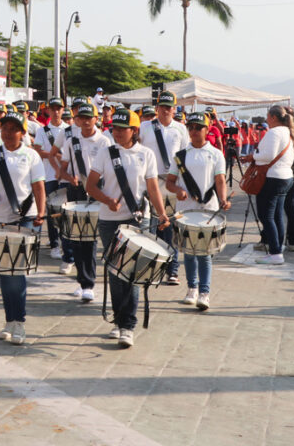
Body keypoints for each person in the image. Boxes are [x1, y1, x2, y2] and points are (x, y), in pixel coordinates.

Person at [86, 108, 168, 349]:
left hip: (137, 219)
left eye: (123, 129)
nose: (118, 133)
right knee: (114, 271)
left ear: (135, 130)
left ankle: (128, 325)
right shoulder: (104, 153)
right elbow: (90, 186)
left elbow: (153, 188)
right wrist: (107, 200)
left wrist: (162, 213)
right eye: (115, 129)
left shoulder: (146, 154)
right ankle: (119, 319)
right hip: (109, 221)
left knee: (131, 273)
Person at [0, 110, 46, 344]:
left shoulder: (32, 156)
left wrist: (41, 213)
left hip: (24, 218)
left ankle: (19, 323)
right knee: (4, 273)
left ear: (23, 132)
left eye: (13, 128)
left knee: (17, 273)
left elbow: (39, 187)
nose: (8, 132)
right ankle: (9, 321)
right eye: (5, 128)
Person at [164, 112, 232, 310]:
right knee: (189, 252)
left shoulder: (216, 154)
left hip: (207, 209)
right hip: (186, 210)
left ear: (207, 129)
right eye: (191, 128)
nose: (194, 131)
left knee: (204, 253)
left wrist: (223, 199)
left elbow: (220, 180)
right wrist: (178, 190)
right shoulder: (180, 155)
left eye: (198, 127)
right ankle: (191, 288)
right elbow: (169, 182)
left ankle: (204, 292)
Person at [59, 101, 110, 302]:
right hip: (77, 191)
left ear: (96, 119)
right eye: (82, 118)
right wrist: (69, 177)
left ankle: (89, 283)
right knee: (76, 238)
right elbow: (62, 168)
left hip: (96, 191)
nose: (86, 122)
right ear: (77, 120)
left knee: (89, 239)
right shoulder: (72, 141)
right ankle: (82, 281)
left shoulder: (104, 141)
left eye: (90, 118)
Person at [138, 90, 189, 285]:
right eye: (163, 107)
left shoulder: (180, 129)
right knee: (151, 227)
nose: (166, 110)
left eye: (169, 107)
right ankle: (153, 267)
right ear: (157, 108)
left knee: (171, 228)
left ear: (174, 109)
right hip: (150, 183)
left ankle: (172, 269)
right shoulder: (145, 127)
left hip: (171, 183)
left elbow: (184, 156)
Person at [242, 105, 294, 264]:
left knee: (266, 216)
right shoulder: (287, 131)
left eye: (267, 116)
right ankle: (278, 247)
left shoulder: (274, 132)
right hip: (285, 176)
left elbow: (268, 155)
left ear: (273, 117)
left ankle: (275, 253)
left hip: (273, 177)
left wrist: (254, 156)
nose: (266, 119)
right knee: (277, 215)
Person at [33, 97, 72, 273]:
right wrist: (54, 154)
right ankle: (54, 244)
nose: (56, 111)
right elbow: (37, 151)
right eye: (53, 108)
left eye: (59, 108)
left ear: (63, 110)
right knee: (51, 211)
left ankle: (66, 244)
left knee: (65, 211)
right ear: (48, 110)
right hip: (48, 175)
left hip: (65, 175)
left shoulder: (69, 129)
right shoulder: (43, 130)